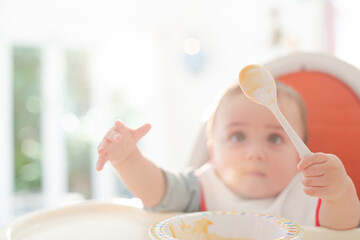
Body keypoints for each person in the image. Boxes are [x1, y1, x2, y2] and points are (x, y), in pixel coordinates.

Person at [96, 81, 360, 230]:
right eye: (237, 137)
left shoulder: (309, 194)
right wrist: (128, 159)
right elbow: (157, 192)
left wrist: (338, 193)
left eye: (275, 138)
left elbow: (342, 229)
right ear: (213, 150)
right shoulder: (198, 189)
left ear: (299, 152)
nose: (256, 153)